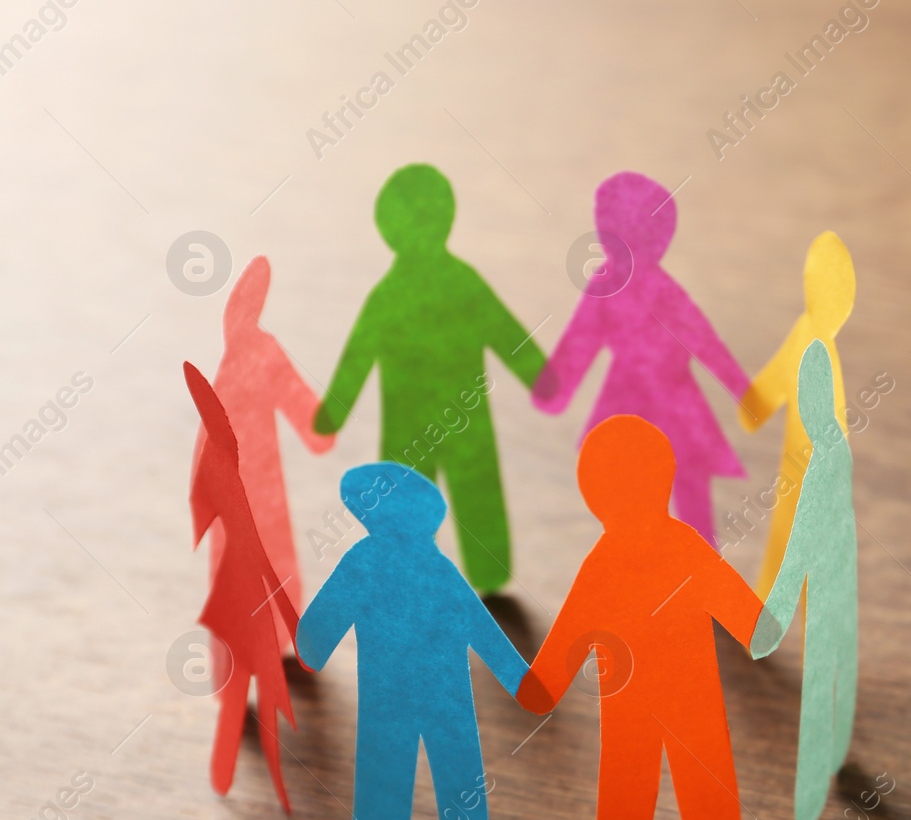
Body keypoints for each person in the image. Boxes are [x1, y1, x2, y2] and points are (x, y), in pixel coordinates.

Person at [516, 415, 770, 820]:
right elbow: (743, 612)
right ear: (665, 479)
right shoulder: (681, 546)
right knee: (693, 763)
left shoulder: (607, 560)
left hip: (630, 697)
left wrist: (545, 685)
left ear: (593, 496)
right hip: (686, 691)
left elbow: (574, 629)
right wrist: (761, 631)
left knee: (628, 775)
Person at [298, 462, 528, 820]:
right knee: (457, 787)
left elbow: (317, 637)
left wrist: (308, 645)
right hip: (449, 703)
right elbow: (484, 633)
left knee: (387, 779)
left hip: (390, 701)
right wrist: (524, 683)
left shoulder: (365, 561)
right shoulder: (435, 566)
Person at [314, 163, 546, 593]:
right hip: (463, 416)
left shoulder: (390, 293)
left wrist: (333, 413)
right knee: (471, 489)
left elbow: (356, 359)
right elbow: (506, 332)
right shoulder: (460, 281)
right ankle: (487, 568)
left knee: (414, 499)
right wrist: (540, 377)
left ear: (387, 229)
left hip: (411, 422)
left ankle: (428, 567)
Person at [533, 171, 749, 547]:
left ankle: (699, 572)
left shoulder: (645, 286)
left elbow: (699, 337)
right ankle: (651, 570)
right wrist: (557, 388)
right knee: (638, 489)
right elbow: (582, 339)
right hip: (641, 402)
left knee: (683, 486)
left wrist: (741, 388)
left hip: (659, 401)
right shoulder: (613, 283)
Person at [194, 255, 334, 656]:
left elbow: (208, 430)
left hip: (238, 483)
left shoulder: (232, 363)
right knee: (269, 548)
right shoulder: (257, 353)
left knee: (247, 553)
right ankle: (268, 633)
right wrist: (317, 431)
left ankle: (250, 640)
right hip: (253, 478)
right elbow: (298, 403)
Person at [751, 341, 859, 820]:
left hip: (825, 584)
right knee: (842, 661)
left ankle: (814, 789)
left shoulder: (823, 459)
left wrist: (774, 613)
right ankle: (836, 753)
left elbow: (800, 545)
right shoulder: (839, 444)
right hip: (844, 584)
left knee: (821, 677)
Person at [184, 362, 300, 814]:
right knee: (256, 690)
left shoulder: (216, 463)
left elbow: (202, 517)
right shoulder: (224, 469)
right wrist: (291, 618)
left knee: (252, 690)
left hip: (238, 599)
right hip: (242, 599)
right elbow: (255, 554)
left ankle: (246, 772)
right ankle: (261, 778)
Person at [739, 231, 854, 596]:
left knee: (795, 534)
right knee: (788, 532)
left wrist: (754, 410)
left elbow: (832, 419)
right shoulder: (808, 335)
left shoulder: (821, 350)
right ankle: (771, 609)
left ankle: (780, 609)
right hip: (801, 461)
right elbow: (780, 373)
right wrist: (754, 407)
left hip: (812, 466)